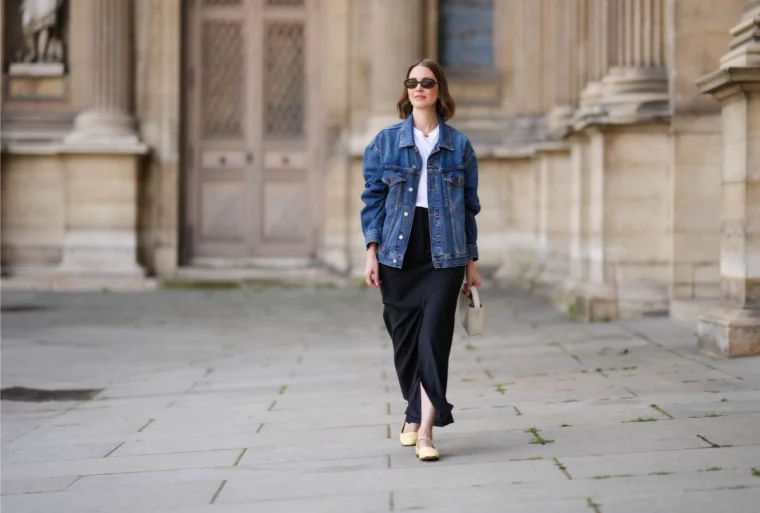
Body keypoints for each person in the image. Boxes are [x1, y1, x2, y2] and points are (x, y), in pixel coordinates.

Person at [360, 58, 482, 462]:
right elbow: (373, 200)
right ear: (406, 90)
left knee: (434, 340)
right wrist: (371, 252)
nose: (419, 87)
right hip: (398, 251)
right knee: (405, 345)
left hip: (445, 253)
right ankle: (413, 413)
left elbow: (468, 209)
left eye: (427, 82)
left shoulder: (459, 145)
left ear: (439, 90)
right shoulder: (385, 142)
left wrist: (471, 264)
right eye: (412, 81)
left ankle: (427, 432)